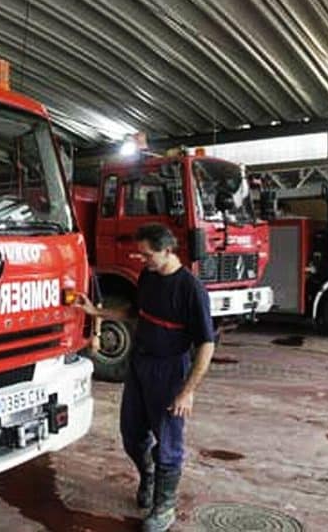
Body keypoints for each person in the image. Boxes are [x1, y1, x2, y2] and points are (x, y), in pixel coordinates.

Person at [75, 223, 215, 532]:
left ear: (167, 251)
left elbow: (206, 344)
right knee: (132, 435)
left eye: (147, 254)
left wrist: (187, 390)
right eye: (141, 255)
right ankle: (148, 476)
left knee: (168, 442)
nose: (143, 260)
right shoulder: (149, 277)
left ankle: (163, 507)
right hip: (140, 365)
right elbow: (134, 312)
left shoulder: (191, 289)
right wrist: (96, 313)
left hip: (170, 370)